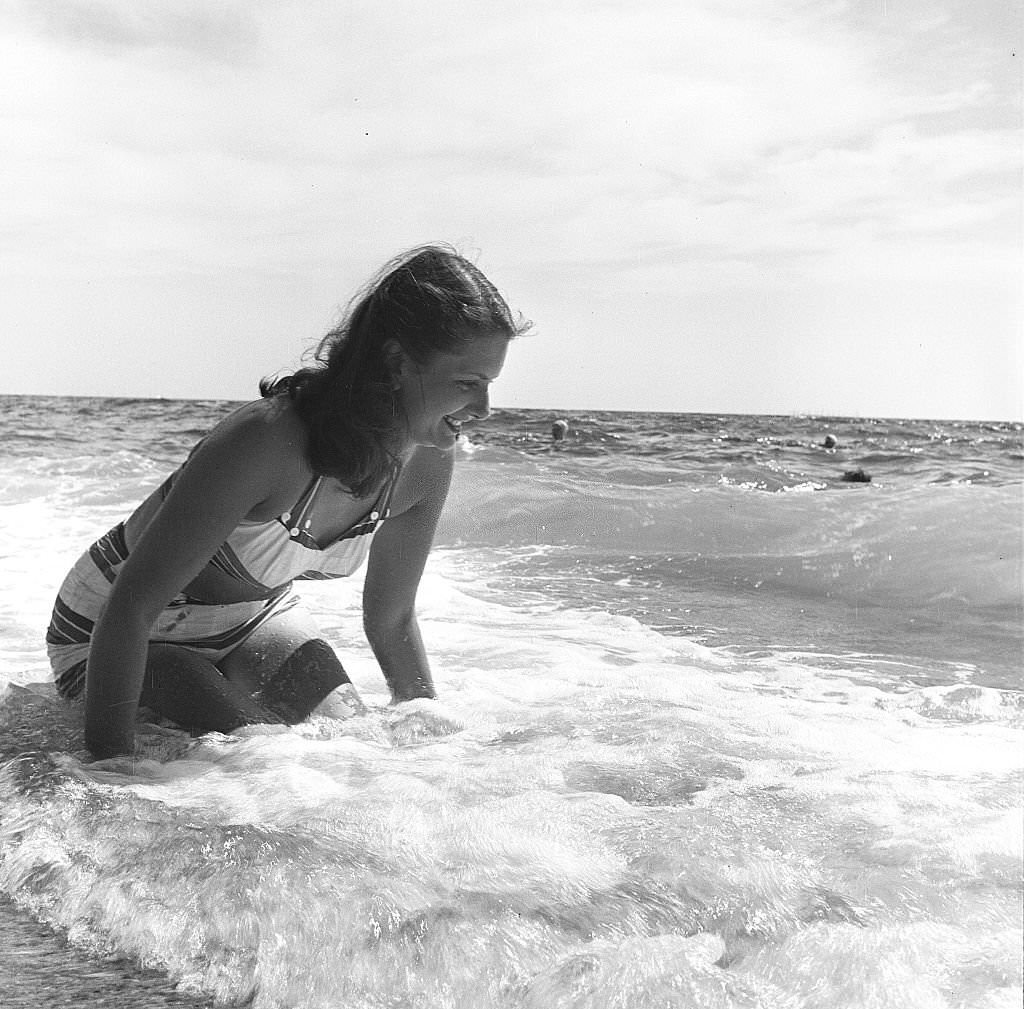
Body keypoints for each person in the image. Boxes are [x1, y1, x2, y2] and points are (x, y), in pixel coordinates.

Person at [46, 246, 526, 759]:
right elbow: (132, 606)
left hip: (254, 619)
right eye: (467, 383)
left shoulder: (427, 465)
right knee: (263, 760)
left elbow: (391, 619)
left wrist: (433, 743)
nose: (484, 408)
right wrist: (108, 767)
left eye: (489, 384)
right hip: (112, 627)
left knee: (357, 753)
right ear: (396, 362)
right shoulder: (268, 441)